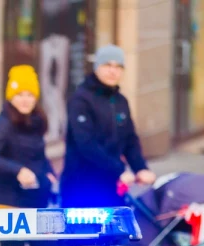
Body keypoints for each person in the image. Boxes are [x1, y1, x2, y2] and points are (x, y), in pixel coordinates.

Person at [61, 44, 155, 208]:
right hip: (81, 186)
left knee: (111, 233)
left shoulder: (120, 101)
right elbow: (86, 144)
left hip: (112, 187)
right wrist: (119, 169)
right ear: (97, 67)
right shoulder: (80, 99)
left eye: (118, 66)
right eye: (108, 65)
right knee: (80, 234)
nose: (113, 71)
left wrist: (140, 168)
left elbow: (130, 140)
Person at [0, 65, 56, 209]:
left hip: (35, 201)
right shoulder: (4, 123)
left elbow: (37, 155)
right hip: (8, 203)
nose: (25, 100)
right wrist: (18, 170)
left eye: (29, 95)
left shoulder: (36, 120)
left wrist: (48, 173)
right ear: (11, 97)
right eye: (20, 94)